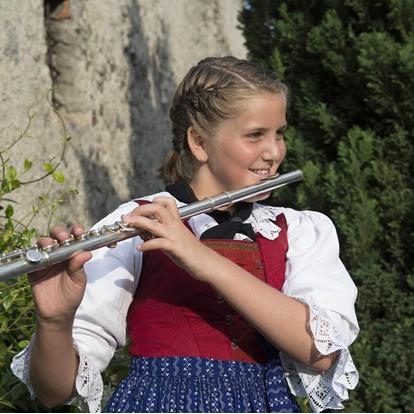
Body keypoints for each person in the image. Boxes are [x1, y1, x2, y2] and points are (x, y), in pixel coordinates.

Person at [12, 56, 359, 413]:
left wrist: (203, 259)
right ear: (199, 142)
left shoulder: (299, 231)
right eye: (256, 135)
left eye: (279, 133)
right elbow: (54, 392)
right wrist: (54, 322)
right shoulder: (137, 223)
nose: (274, 152)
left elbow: (320, 352)